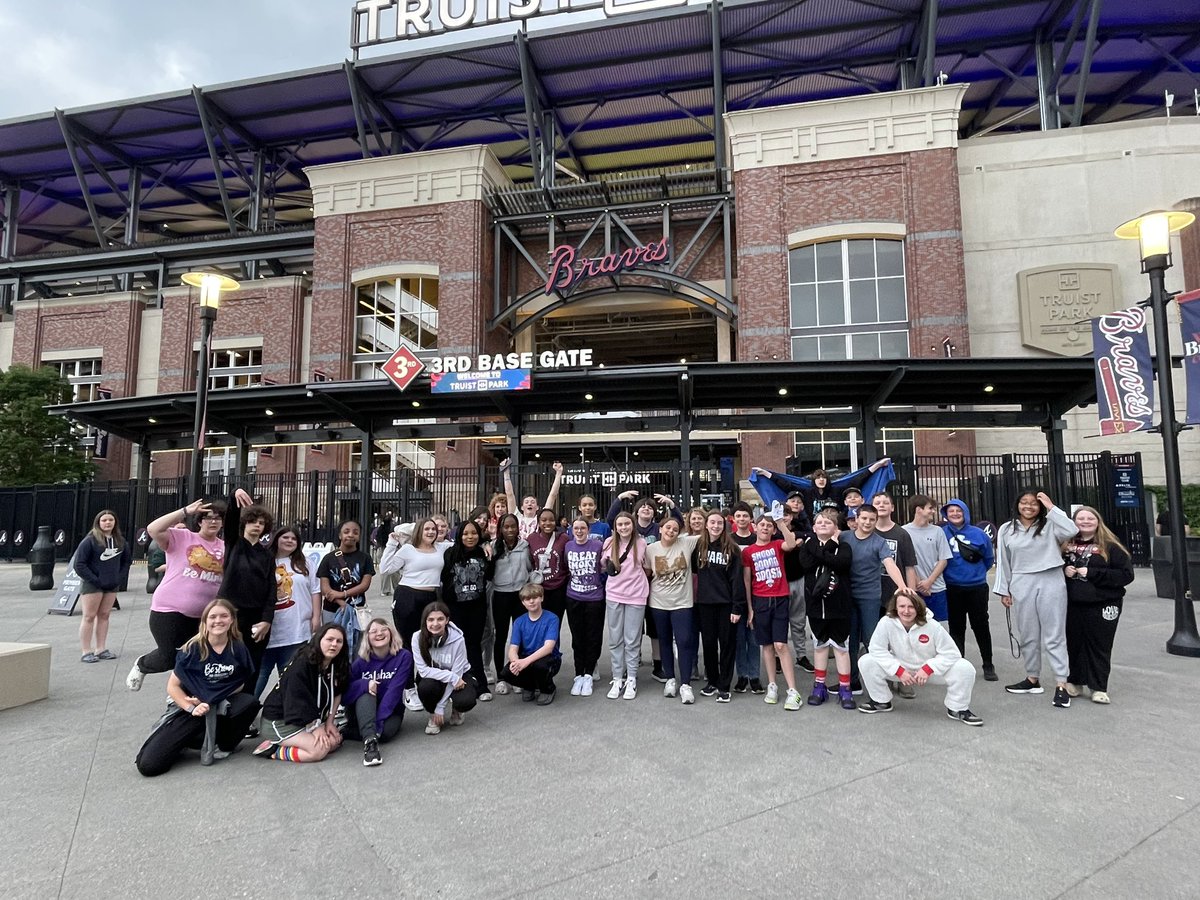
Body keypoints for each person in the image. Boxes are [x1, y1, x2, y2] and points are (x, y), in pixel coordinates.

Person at [135, 598, 261, 776]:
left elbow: (239, 683)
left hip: (218, 704)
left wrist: (215, 697)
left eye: (224, 616)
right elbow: (172, 687)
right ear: (205, 621)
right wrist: (191, 707)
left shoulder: (238, 648)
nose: (218, 621)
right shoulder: (192, 649)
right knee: (149, 766)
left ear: (232, 619)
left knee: (250, 703)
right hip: (191, 708)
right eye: (213, 617)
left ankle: (222, 744)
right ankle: (188, 741)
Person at [126, 498, 227, 692]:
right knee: (169, 657)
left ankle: (180, 697)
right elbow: (153, 529)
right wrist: (184, 511)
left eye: (217, 518)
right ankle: (143, 664)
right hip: (170, 609)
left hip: (204, 615)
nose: (213, 522)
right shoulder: (183, 537)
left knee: (197, 658)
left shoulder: (224, 547)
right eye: (207, 518)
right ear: (199, 521)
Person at [994, 490, 1077, 708]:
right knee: (1028, 633)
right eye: (1024, 502)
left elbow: (1072, 529)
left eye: (1033, 504)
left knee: (1054, 634)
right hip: (1022, 581)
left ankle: (1062, 683)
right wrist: (1004, 590)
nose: (1029, 507)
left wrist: (1051, 506)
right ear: (1017, 504)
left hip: (1051, 579)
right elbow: (1003, 561)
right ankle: (1032, 678)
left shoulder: (1050, 524)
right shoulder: (1006, 529)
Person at [858, 591, 982, 725]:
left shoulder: (932, 625)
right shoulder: (886, 622)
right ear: (895, 607)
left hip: (929, 671)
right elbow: (877, 649)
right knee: (867, 661)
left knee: (965, 668)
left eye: (911, 607)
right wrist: (898, 670)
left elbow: (952, 653)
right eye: (902, 606)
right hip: (902, 670)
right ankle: (880, 701)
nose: (906, 611)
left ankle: (958, 709)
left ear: (918, 607)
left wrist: (928, 668)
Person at [1063, 506, 1134, 705]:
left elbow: (1126, 575)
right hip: (1074, 603)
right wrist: (1064, 570)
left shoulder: (1111, 545)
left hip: (1104, 603)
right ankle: (1075, 681)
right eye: (1080, 519)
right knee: (1074, 643)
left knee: (1100, 645)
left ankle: (1099, 687)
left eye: (1090, 519)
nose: (1085, 522)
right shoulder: (1067, 545)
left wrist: (1092, 573)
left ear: (1098, 522)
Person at [843, 505, 912, 693]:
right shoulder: (844, 537)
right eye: (864, 518)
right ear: (856, 519)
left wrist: (902, 586)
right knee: (851, 640)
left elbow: (890, 564)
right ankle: (853, 680)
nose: (867, 523)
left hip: (870, 597)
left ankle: (881, 682)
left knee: (872, 641)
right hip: (848, 596)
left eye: (871, 520)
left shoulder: (880, 542)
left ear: (875, 521)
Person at [254, 623, 348, 762]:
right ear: (319, 639)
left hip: (305, 720)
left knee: (334, 742)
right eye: (329, 639)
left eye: (339, 641)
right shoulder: (302, 664)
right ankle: (273, 749)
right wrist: (316, 727)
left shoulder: (336, 663)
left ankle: (298, 742)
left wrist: (329, 722)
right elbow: (297, 700)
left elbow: (338, 692)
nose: (334, 644)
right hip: (279, 721)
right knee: (319, 751)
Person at [218, 489, 277, 689]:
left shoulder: (267, 555)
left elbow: (271, 589)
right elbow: (231, 520)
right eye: (253, 521)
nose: (257, 526)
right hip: (230, 612)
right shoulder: (234, 543)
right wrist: (235, 495)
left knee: (253, 664)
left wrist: (267, 620)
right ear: (245, 523)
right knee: (226, 662)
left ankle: (245, 710)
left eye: (261, 523)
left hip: (256, 616)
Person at [742, 512, 801, 710]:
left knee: (780, 645)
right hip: (760, 600)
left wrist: (781, 524)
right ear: (754, 527)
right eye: (762, 525)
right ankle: (772, 684)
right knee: (766, 645)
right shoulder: (748, 552)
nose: (765, 528)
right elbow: (747, 581)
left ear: (773, 530)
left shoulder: (777, 546)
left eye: (769, 526)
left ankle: (792, 690)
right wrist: (750, 608)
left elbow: (791, 544)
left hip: (779, 598)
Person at [797, 510, 855, 709]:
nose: (823, 524)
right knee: (820, 647)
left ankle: (845, 689)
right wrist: (826, 548)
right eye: (819, 522)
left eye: (828, 522)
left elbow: (840, 563)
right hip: (816, 608)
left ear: (836, 528)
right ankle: (819, 686)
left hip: (839, 608)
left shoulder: (844, 547)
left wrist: (825, 548)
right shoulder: (807, 548)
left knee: (841, 648)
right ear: (813, 528)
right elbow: (806, 564)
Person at [254, 527, 322, 699]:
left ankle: (286, 713)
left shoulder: (305, 563)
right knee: (260, 676)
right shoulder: (264, 561)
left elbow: (315, 590)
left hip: (296, 628)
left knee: (291, 676)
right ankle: (245, 713)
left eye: (294, 538)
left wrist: (316, 616)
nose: (290, 541)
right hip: (269, 628)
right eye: (285, 537)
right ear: (276, 538)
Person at [645, 515, 701, 704]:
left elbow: (709, 530)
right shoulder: (650, 549)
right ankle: (670, 679)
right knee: (664, 641)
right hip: (658, 602)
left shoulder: (686, 543)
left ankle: (685, 684)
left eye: (675, 529)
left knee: (685, 641)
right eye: (667, 528)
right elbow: (646, 572)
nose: (671, 531)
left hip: (682, 603)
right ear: (660, 529)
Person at [940, 499, 997, 681]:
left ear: (965, 512)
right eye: (951, 511)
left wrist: (976, 574)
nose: (955, 514)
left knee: (981, 625)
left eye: (958, 510)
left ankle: (988, 663)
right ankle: (959, 664)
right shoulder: (941, 533)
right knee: (956, 627)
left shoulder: (979, 534)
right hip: (952, 587)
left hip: (976, 587)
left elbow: (988, 559)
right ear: (945, 514)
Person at [692, 510, 745, 703]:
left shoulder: (731, 548)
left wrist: (737, 608)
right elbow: (694, 569)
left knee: (727, 645)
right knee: (708, 645)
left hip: (726, 605)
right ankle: (712, 682)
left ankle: (724, 685)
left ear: (725, 526)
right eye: (712, 522)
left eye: (719, 523)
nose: (715, 526)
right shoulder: (699, 546)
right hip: (705, 604)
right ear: (706, 525)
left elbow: (737, 580)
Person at [343, 619, 413, 766]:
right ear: (367, 637)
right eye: (373, 631)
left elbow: (394, 691)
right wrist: (364, 684)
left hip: (390, 710)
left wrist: (378, 723)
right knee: (367, 690)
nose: (379, 634)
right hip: (361, 709)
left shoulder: (403, 656)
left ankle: (348, 732)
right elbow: (344, 694)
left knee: (386, 733)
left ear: (391, 634)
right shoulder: (362, 661)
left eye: (383, 629)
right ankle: (370, 744)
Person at [440, 519, 493, 700]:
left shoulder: (483, 552)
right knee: (455, 645)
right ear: (459, 535)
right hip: (455, 607)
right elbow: (444, 578)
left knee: (474, 645)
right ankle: (454, 683)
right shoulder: (450, 553)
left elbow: (490, 574)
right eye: (465, 533)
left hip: (476, 607)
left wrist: (488, 548)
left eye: (474, 533)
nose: (470, 537)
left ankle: (481, 685)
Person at [603, 511, 651, 699]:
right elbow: (603, 566)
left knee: (632, 640)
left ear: (633, 525)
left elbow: (647, 568)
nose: (623, 527)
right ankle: (617, 677)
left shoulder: (641, 543)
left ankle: (631, 677)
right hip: (614, 595)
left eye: (627, 524)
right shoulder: (608, 543)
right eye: (620, 524)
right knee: (615, 639)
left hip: (636, 595)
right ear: (615, 527)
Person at [75, 509, 132, 663]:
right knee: (89, 616)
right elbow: (79, 564)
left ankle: (101, 648)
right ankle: (86, 651)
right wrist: (95, 579)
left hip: (111, 585)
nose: (107, 523)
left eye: (110, 520)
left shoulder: (120, 541)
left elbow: (126, 561)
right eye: (104, 520)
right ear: (98, 522)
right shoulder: (90, 541)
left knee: (105, 615)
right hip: (93, 585)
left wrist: (118, 578)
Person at [412, 601, 477, 734]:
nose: (435, 624)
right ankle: (433, 715)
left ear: (447, 620)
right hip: (434, 678)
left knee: (466, 700)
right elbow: (423, 671)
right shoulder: (417, 638)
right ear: (425, 621)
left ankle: (456, 710)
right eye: (431, 619)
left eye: (440, 619)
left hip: (458, 676)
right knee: (426, 688)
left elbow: (457, 675)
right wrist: (451, 677)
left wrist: (441, 707)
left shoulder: (458, 639)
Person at [379, 518, 445, 646]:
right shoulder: (408, 549)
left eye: (433, 529)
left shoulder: (442, 548)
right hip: (408, 596)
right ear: (419, 531)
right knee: (407, 640)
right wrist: (391, 543)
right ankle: (407, 666)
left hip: (431, 597)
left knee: (428, 640)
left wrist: (486, 542)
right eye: (426, 529)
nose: (430, 532)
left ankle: (426, 666)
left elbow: (463, 543)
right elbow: (385, 569)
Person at [491, 513, 534, 696]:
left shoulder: (525, 546)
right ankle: (502, 677)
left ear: (518, 528)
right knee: (500, 637)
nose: (509, 530)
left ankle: (518, 675)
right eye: (506, 527)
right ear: (500, 528)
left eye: (513, 526)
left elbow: (531, 567)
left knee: (520, 637)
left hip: (519, 595)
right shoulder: (493, 547)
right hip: (500, 595)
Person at [564, 517, 605, 697]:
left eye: (583, 528)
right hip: (573, 596)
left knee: (593, 637)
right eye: (576, 528)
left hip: (594, 597)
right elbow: (566, 567)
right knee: (577, 637)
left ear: (588, 530)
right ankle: (578, 674)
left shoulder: (597, 545)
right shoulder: (568, 546)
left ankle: (589, 673)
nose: (579, 531)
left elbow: (602, 568)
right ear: (572, 530)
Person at [502, 583, 562, 705]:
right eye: (527, 599)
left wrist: (525, 662)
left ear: (542, 598)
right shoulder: (519, 621)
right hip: (527, 657)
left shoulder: (552, 618)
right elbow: (513, 648)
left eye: (535, 597)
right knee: (506, 672)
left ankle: (548, 689)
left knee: (539, 666)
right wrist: (515, 662)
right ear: (523, 602)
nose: (531, 602)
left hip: (548, 659)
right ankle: (530, 686)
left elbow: (548, 647)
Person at [902, 495, 953, 623]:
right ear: (919, 510)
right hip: (915, 590)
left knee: (941, 627)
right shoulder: (903, 532)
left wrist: (929, 582)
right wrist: (920, 584)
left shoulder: (937, 531)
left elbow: (944, 559)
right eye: (930, 508)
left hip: (937, 589)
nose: (933, 511)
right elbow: (906, 562)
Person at [728, 502, 762, 693]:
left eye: (745, 516)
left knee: (754, 638)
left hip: (757, 592)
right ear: (733, 518)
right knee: (739, 638)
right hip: (735, 595)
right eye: (738, 516)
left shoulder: (757, 539)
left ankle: (755, 676)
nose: (742, 519)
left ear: (751, 519)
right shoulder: (729, 540)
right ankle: (742, 675)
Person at [316, 520, 375, 624]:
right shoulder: (328, 558)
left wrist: (342, 594)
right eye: (346, 532)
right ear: (340, 535)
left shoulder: (366, 558)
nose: (351, 535)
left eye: (355, 533)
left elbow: (365, 585)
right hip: (331, 610)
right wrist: (341, 602)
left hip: (357, 610)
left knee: (356, 639)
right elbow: (325, 588)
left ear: (359, 537)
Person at [502, 458, 563, 540]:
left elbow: (552, 495)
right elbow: (509, 495)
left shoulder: (541, 518)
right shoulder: (516, 517)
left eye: (532, 502)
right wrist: (506, 473)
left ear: (537, 507)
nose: (529, 504)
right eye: (526, 502)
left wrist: (558, 473)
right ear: (522, 507)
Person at [527, 507, 570, 621]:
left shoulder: (563, 538)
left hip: (558, 589)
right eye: (544, 520)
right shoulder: (531, 539)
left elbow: (567, 561)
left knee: (555, 624)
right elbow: (529, 562)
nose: (547, 523)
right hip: (538, 589)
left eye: (551, 520)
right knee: (539, 623)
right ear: (538, 522)